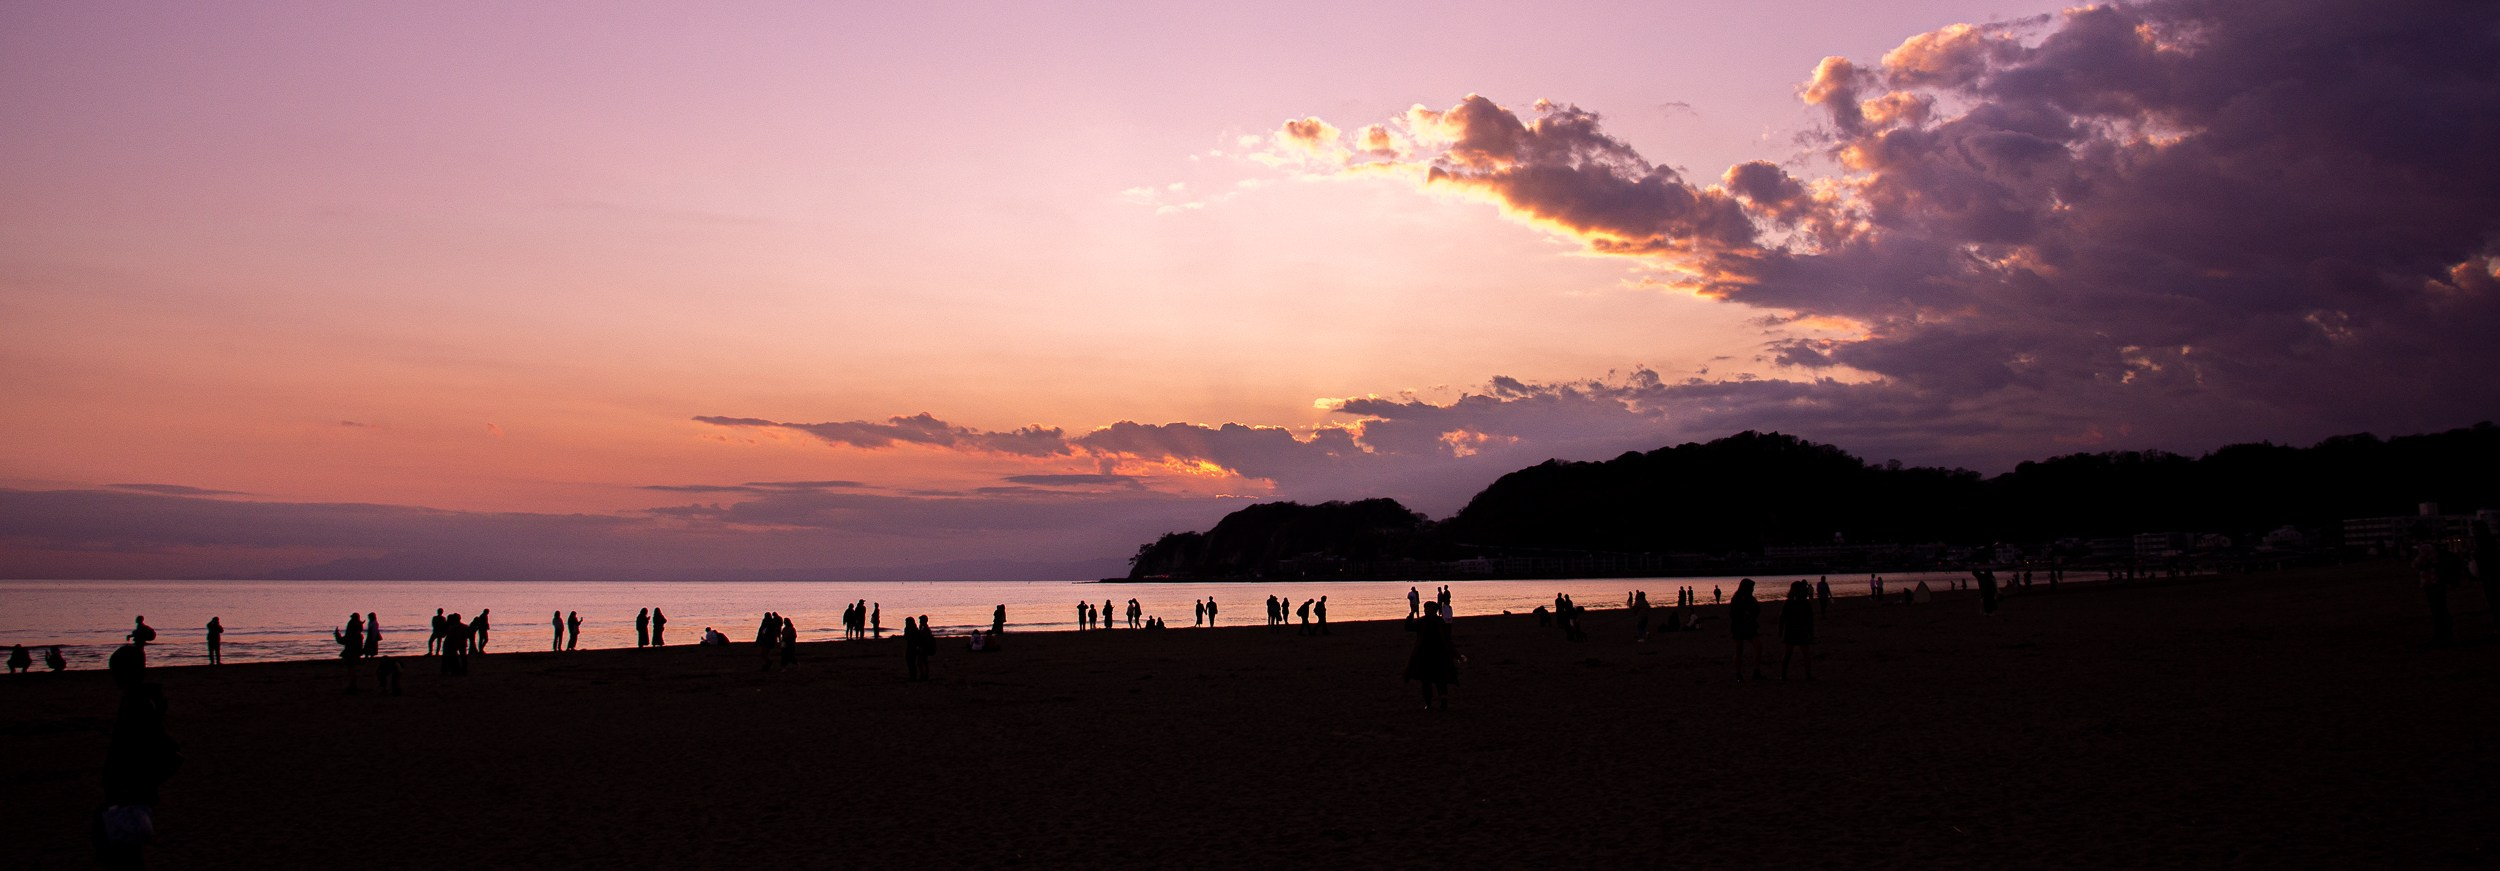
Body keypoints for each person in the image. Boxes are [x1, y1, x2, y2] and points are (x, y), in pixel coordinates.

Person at [97, 643, 179, 870]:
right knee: (126, 852)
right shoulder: (141, 702)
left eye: (116, 671)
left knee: (124, 853)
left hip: (129, 790)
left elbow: (136, 747)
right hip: (132, 789)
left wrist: (129, 783)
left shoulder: (137, 704)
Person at [1404, 602, 1459, 710]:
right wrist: (1411, 614)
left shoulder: (1431, 622)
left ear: (1433, 610)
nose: (1425, 610)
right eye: (1425, 608)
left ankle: (1439, 702)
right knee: (1430, 681)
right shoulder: (1429, 621)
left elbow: (1446, 639)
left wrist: (1455, 653)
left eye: (1427, 608)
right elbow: (1408, 627)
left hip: (1434, 655)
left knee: (1435, 680)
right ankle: (1431, 703)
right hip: (1428, 655)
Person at [1780, 580, 1817, 680]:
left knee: (1800, 653)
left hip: (1798, 630)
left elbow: (1810, 619)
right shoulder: (1792, 603)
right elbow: (1783, 618)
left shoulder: (1802, 603)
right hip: (1795, 630)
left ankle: (1786, 675)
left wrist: (1811, 632)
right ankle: (1784, 675)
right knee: (1792, 653)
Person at [1729, 579, 1764, 681]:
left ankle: (1756, 671)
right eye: (1751, 588)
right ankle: (1738, 674)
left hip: (1750, 627)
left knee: (1758, 647)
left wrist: (1751, 617)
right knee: (1739, 650)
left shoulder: (1751, 599)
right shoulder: (1736, 599)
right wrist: (1745, 616)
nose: (1752, 590)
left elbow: (1757, 610)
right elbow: (1733, 614)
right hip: (1739, 627)